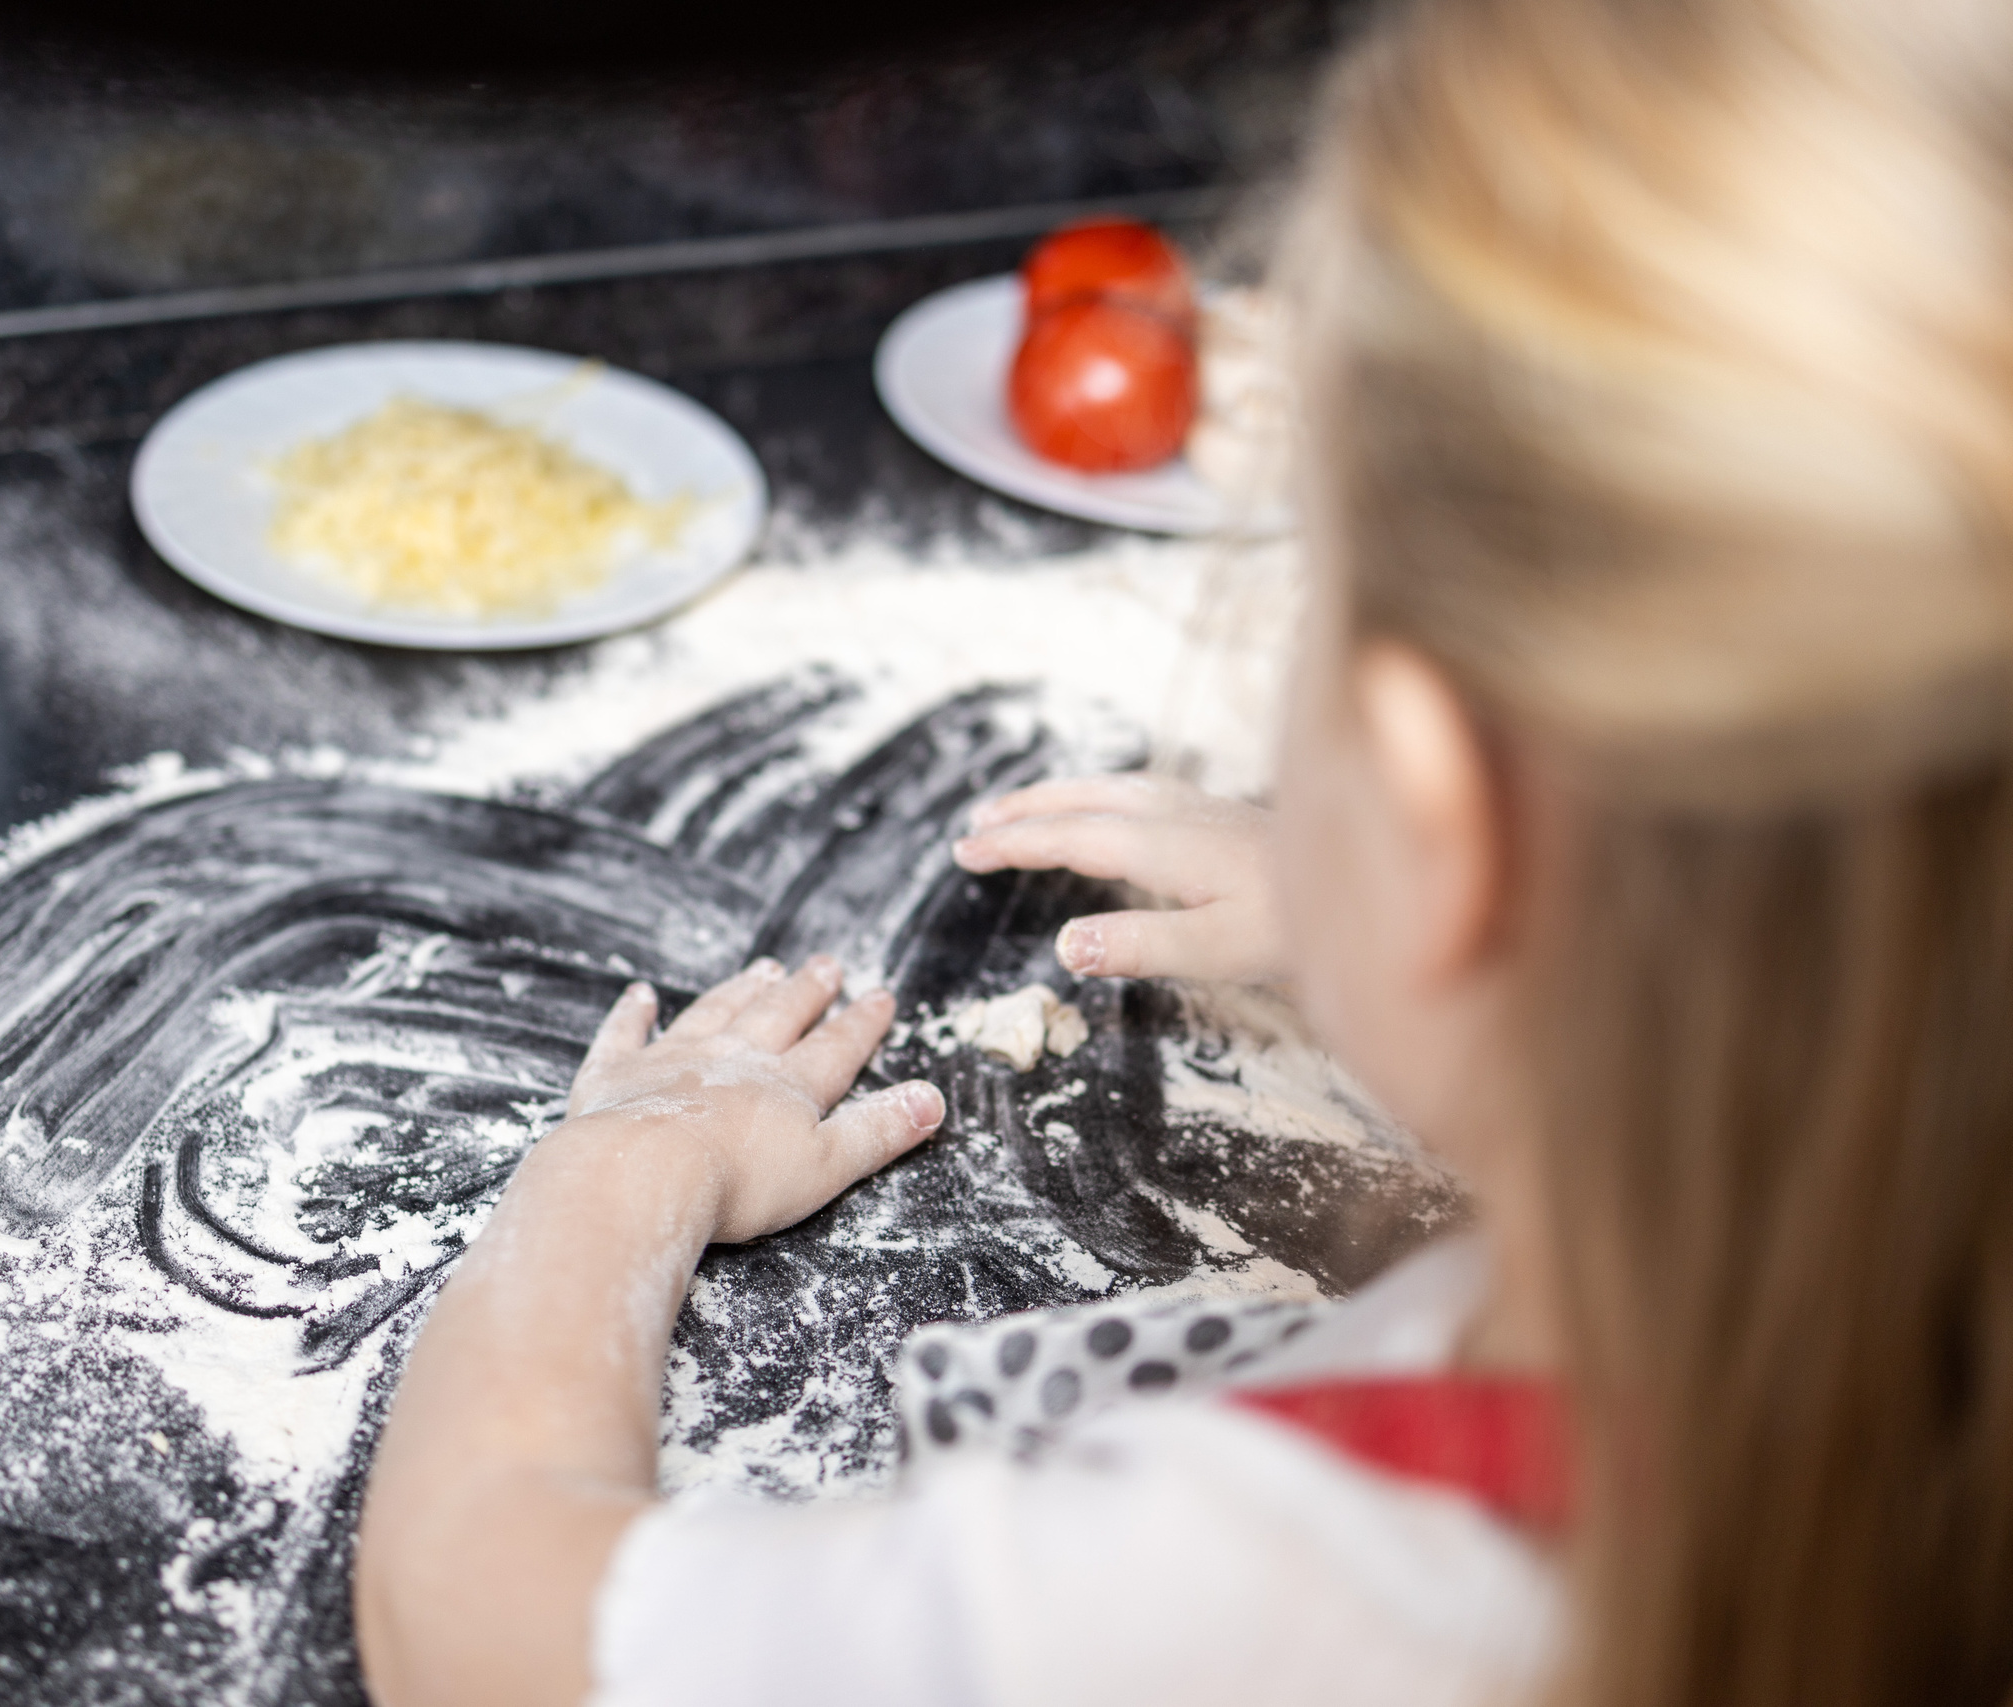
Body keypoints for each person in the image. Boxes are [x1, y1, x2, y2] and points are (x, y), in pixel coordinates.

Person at [353, 0, 2013, 1699]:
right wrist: (1488, 922)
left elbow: (472, 1618)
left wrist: (622, 1174)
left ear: (1456, 817)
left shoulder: (1273, 1592)